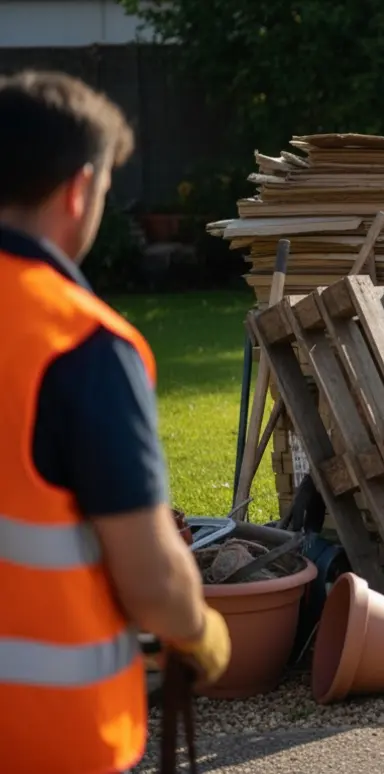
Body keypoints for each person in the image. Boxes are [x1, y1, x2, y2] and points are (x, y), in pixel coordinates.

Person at [0, 70, 231, 774]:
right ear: (78, 190)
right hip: (45, 740)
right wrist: (196, 630)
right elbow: (151, 578)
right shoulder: (79, 345)